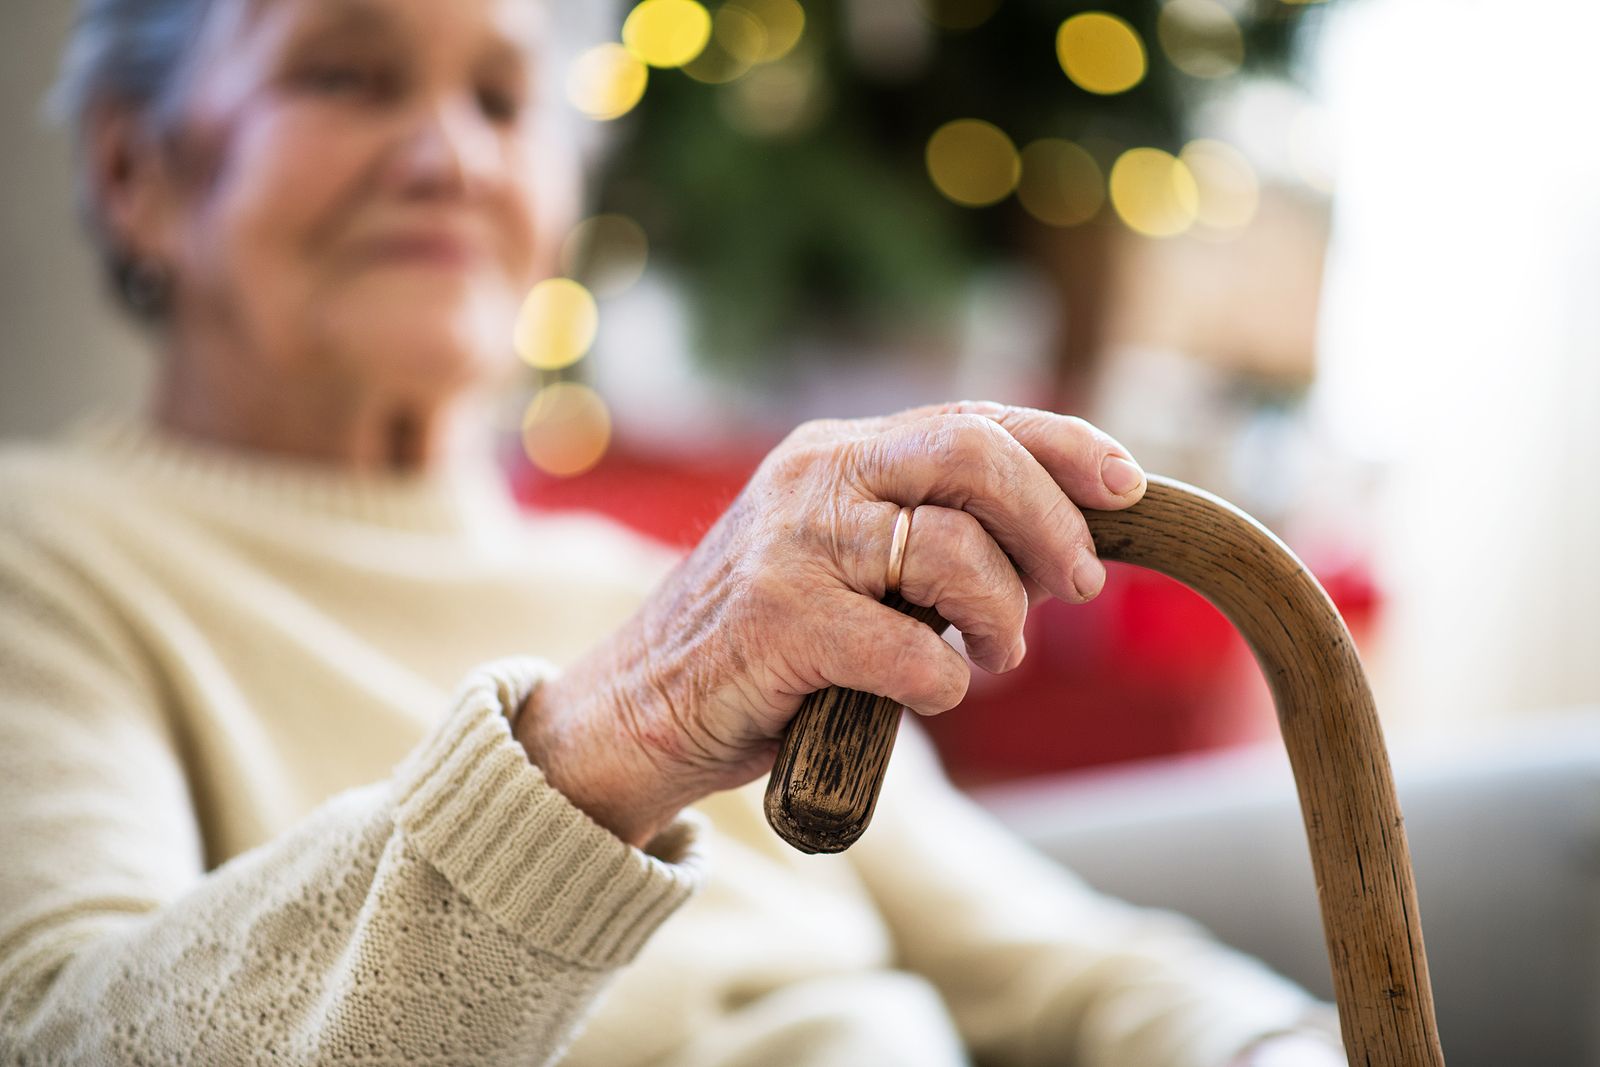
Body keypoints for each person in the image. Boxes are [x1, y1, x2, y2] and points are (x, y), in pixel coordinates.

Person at [0, 0, 1347, 1063]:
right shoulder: (47, 552)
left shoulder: (644, 589)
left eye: (504, 97)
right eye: (347, 73)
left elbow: (1073, 971)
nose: (453, 157)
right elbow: (64, 1039)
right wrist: (628, 729)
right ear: (137, 168)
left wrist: (1265, 1046)